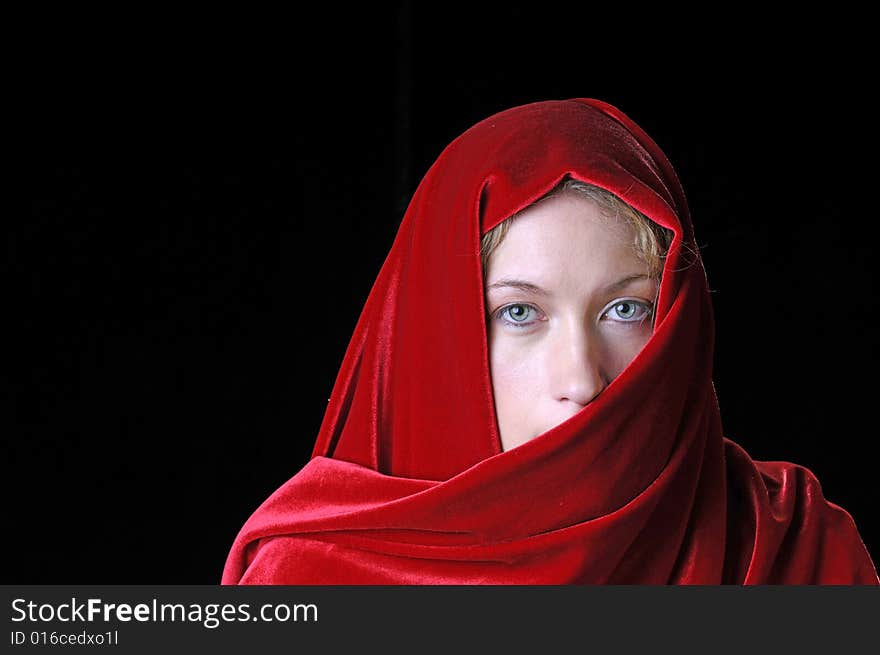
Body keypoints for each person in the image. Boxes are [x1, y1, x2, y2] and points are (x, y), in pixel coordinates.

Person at [221, 98, 878, 584]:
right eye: (520, 313)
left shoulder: (798, 553)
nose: (583, 379)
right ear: (436, 340)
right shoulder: (309, 578)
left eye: (625, 307)